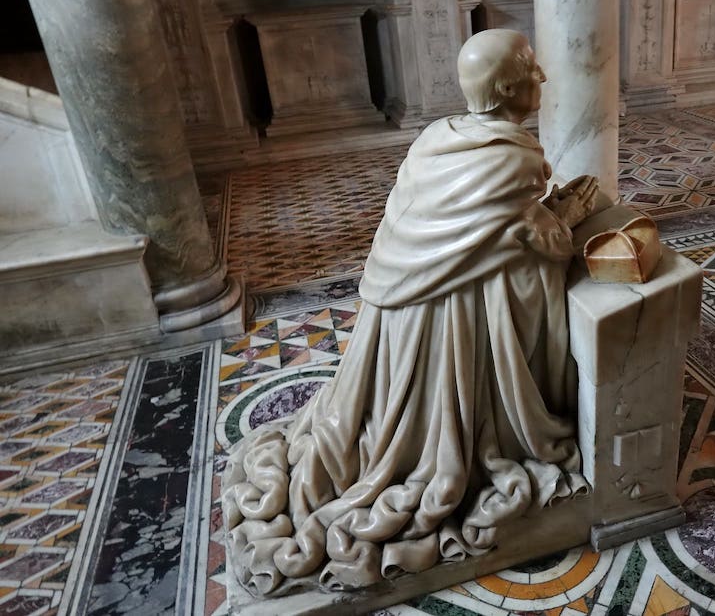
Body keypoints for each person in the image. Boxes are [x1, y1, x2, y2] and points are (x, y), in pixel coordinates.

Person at [222, 29, 600, 595]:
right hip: (450, 319)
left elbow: (486, 230)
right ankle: (461, 443)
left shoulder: (435, 138)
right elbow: (535, 243)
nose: (542, 78)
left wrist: (538, 220)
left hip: (395, 314)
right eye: (530, 70)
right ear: (506, 89)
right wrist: (567, 217)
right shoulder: (513, 157)